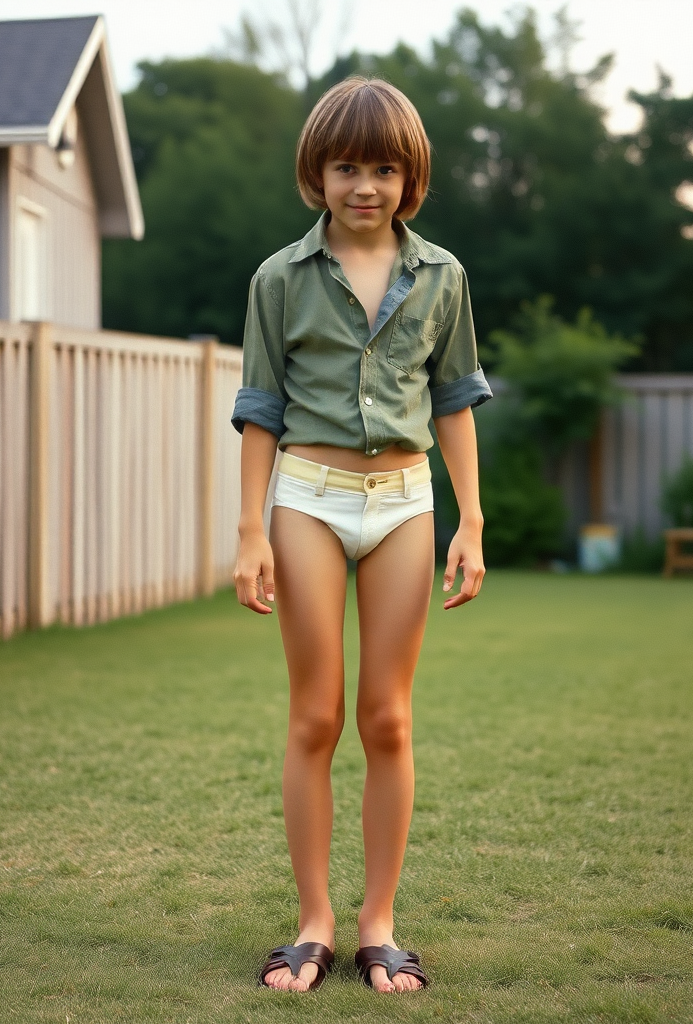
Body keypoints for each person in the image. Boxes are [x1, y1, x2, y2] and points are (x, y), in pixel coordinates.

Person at [231, 76, 492, 994]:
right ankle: (313, 924)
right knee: (316, 715)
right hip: (306, 495)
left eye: (383, 167)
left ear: (409, 175)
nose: (365, 185)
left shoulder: (445, 277)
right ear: (319, 172)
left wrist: (473, 521)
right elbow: (261, 410)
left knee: (387, 717)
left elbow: (456, 401)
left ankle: (379, 925)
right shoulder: (278, 278)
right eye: (347, 166)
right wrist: (249, 531)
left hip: (406, 505)